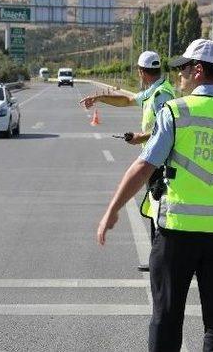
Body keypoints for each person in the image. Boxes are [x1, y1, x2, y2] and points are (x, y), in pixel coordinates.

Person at [97, 39, 213, 351]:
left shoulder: (176, 111)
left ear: (198, 70)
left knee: (167, 316)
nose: (179, 78)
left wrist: (113, 209)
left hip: (178, 233)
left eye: (183, 71)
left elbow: (144, 166)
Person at [81, 51, 176, 272]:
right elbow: (127, 100)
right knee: (155, 210)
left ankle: (161, 261)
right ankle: (157, 260)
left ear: (141, 72)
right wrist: (99, 98)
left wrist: (138, 138)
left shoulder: (162, 95)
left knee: (159, 210)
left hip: (159, 160)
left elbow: (164, 131)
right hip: (155, 156)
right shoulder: (154, 91)